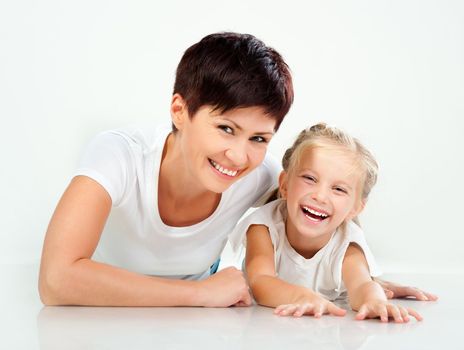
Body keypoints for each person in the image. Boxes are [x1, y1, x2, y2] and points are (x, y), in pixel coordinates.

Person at [39, 32, 435, 307]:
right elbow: (56, 280)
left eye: (259, 139)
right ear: (180, 111)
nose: (238, 156)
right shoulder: (120, 155)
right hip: (92, 324)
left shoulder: (262, 179)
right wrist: (199, 295)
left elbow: (314, 228)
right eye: (226, 128)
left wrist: (363, 284)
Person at [230, 123, 436, 322]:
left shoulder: (348, 241)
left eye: (338, 189)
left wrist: (374, 300)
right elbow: (261, 282)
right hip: (274, 331)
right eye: (310, 178)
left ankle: (380, 284)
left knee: (373, 285)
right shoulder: (263, 226)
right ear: (284, 184)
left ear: (355, 208)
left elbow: (360, 285)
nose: (320, 196)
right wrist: (303, 298)